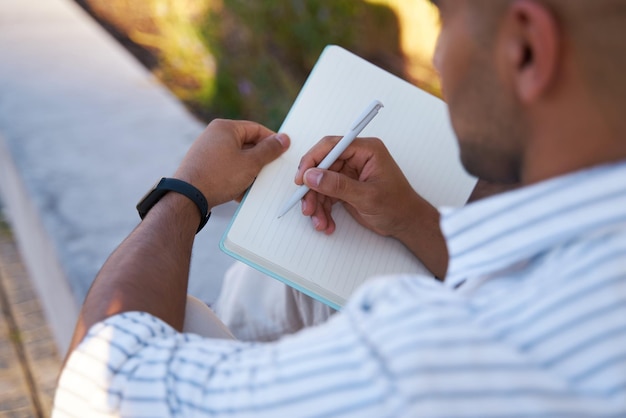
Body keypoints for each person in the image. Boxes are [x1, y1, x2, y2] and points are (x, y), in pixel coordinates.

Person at [53, 0, 626, 416]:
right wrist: (413, 218)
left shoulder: (430, 358)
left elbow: (102, 386)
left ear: (525, 48)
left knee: (204, 314)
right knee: (284, 281)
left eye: (444, 18)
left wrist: (184, 192)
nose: (437, 54)